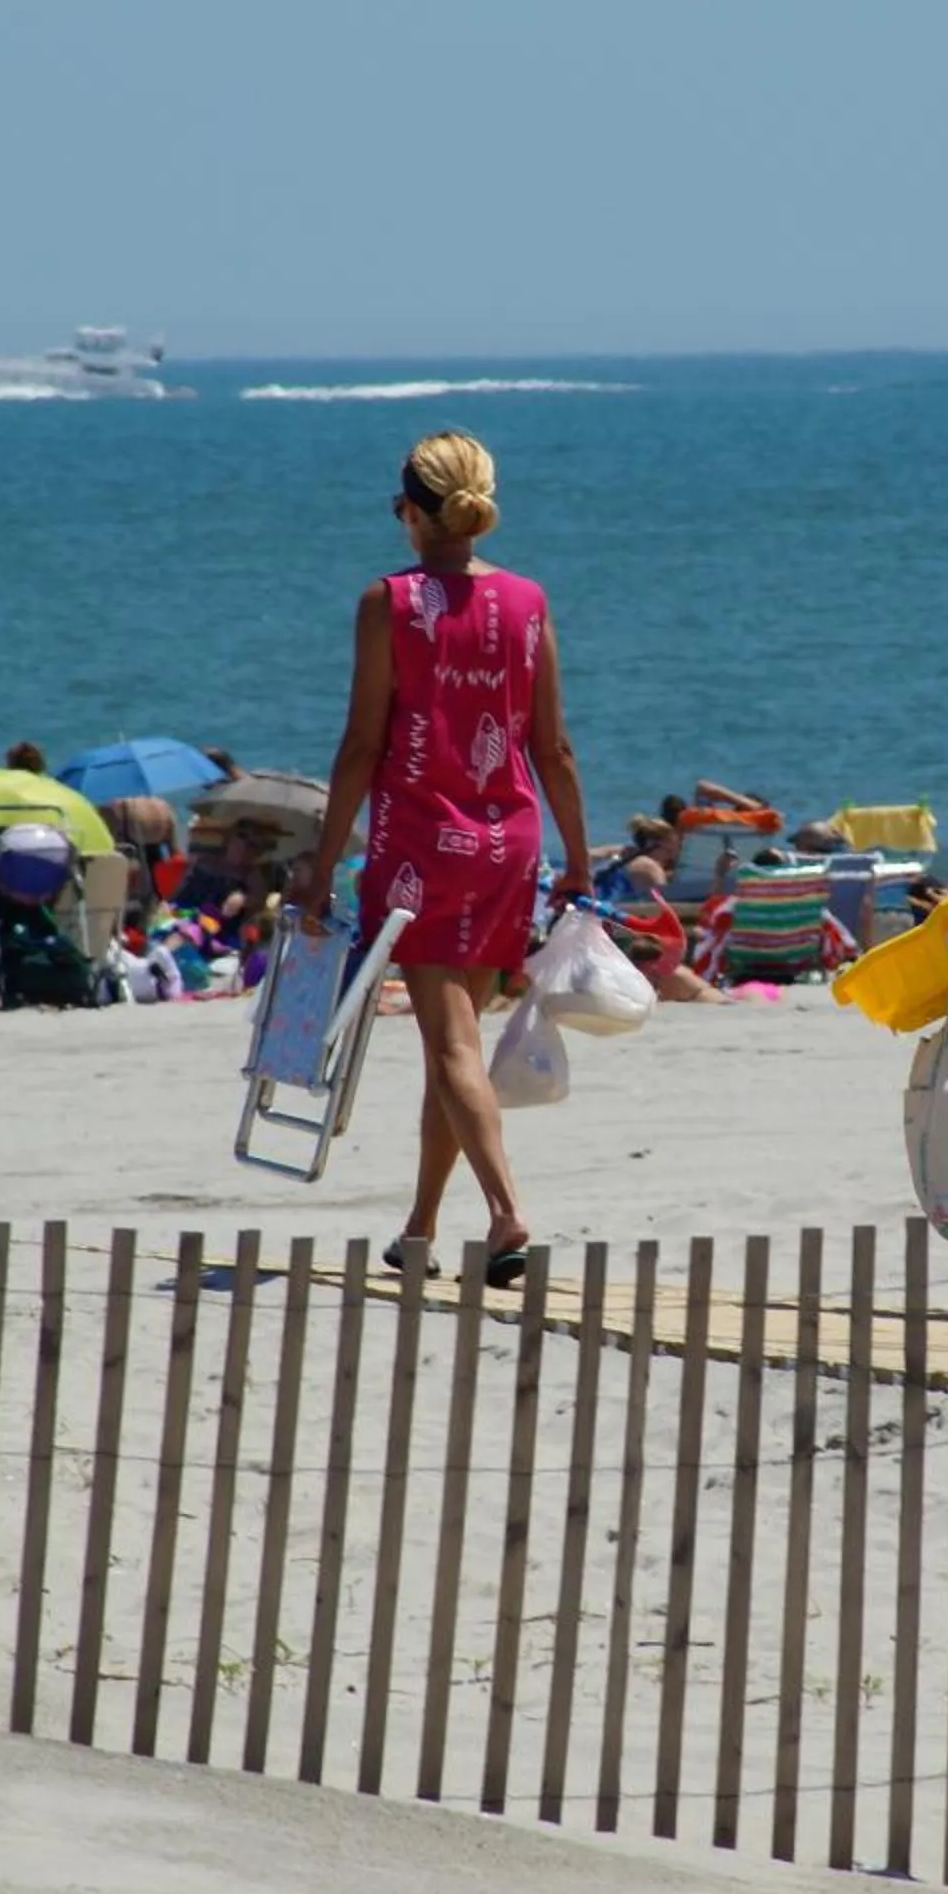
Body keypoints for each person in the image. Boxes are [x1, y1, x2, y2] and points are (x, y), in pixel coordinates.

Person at [294, 430, 590, 1290]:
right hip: (509, 845)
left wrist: (321, 864)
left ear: (412, 514)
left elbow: (362, 744)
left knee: (452, 1043)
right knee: (451, 1050)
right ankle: (420, 1226)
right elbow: (553, 747)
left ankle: (505, 1213)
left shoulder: (390, 602)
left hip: (422, 847)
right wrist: (577, 858)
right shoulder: (527, 601)